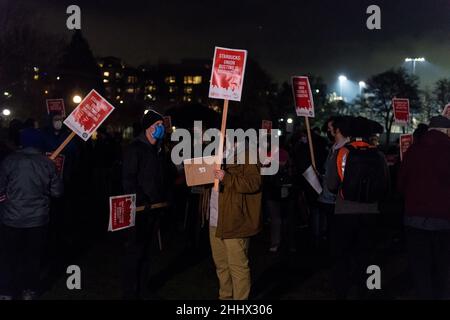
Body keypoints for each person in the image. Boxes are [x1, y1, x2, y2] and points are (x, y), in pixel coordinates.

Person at [327, 116, 390, 299]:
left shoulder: (342, 153)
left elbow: (332, 184)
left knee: (342, 255)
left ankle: (342, 290)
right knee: (369, 254)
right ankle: (370, 289)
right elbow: (386, 185)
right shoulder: (379, 155)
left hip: (344, 212)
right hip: (371, 212)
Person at [0, 128, 63, 300]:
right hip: (37, 220)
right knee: (33, 257)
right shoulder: (47, 163)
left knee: (8, 256)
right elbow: (57, 192)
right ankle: (29, 290)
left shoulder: (9, 161)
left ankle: (5, 291)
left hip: (11, 219)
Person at [398, 115, 450, 299]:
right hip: (445, 220)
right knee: (444, 266)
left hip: (415, 219)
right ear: (446, 131)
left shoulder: (414, 150)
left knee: (421, 266)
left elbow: (401, 183)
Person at [121, 109, 169, 299]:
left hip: (154, 210)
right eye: (158, 125)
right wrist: (142, 200)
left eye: (162, 126)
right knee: (134, 253)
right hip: (139, 210)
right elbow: (128, 179)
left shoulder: (157, 150)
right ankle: (130, 292)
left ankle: (142, 289)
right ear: (149, 128)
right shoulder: (135, 149)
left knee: (147, 254)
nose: (161, 129)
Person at [210, 140, 262, 300]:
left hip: (235, 220)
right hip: (215, 219)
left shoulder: (247, 156)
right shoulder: (216, 156)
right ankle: (225, 297)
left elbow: (254, 183)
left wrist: (227, 177)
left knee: (238, 267)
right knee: (221, 265)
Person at [313, 116, 350, 247]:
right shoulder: (333, 148)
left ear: (338, 130)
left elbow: (343, 177)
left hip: (337, 201)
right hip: (327, 198)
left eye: (330, 128)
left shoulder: (346, 150)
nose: (328, 131)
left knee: (338, 236)